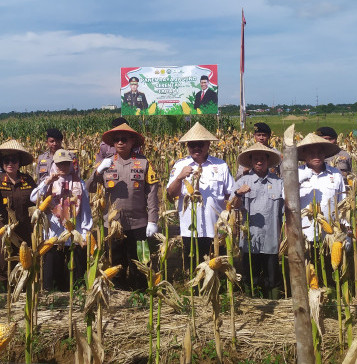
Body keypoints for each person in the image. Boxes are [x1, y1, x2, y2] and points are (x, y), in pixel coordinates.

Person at [87, 123, 159, 289]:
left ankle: (140, 295)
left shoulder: (143, 163)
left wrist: (153, 220)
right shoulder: (106, 164)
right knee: (115, 263)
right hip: (112, 225)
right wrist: (97, 173)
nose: (120, 142)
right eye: (117, 139)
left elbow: (152, 193)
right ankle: (118, 295)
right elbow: (89, 188)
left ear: (132, 141)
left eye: (124, 139)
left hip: (138, 223)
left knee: (139, 264)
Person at [167, 122, 234, 266]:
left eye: (200, 144)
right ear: (187, 146)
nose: (196, 147)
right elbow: (170, 194)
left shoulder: (221, 165)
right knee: (192, 267)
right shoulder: (179, 165)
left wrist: (229, 220)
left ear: (208, 144)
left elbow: (230, 195)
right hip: (190, 228)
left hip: (215, 228)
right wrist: (180, 177)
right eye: (192, 144)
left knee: (216, 268)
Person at [33, 149, 92, 291]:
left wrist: (85, 232)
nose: (62, 167)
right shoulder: (48, 182)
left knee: (77, 273)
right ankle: (52, 298)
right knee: (52, 273)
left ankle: (76, 298)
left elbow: (85, 209)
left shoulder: (79, 183)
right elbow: (34, 198)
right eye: (59, 164)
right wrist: (47, 182)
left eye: (66, 163)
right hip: (54, 234)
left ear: (71, 164)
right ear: (54, 164)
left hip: (74, 234)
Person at [232, 142, 283, 298]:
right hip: (250, 238)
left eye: (262, 158)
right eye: (256, 159)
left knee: (272, 276)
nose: (259, 162)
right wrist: (239, 194)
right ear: (251, 161)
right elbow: (232, 206)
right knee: (250, 275)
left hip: (272, 237)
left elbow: (286, 208)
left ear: (268, 160)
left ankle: (273, 302)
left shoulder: (278, 182)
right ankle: (251, 301)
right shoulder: (242, 182)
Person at [0, 139, 37, 282]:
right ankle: (3, 293)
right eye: (6, 161)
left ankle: (21, 291)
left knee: (21, 262)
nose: (10, 164)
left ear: (19, 163)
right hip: (2, 229)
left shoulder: (27, 180)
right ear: (2, 163)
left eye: (14, 160)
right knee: (1, 261)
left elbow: (37, 199)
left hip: (23, 230)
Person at [296, 133, 345, 243]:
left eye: (319, 152)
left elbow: (343, 202)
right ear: (304, 154)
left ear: (325, 154)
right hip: (305, 234)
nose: (316, 156)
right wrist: (297, 181)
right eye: (311, 153)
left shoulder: (336, 174)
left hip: (331, 234)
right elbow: (286, 199)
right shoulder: (296, 174)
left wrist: (346, 228)